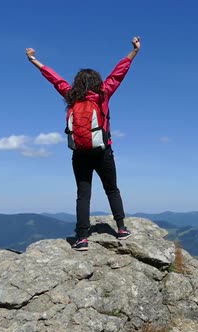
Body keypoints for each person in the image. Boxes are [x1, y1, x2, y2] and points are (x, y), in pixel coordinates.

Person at [25, 36, 141, 251]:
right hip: (103, 151)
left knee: (83, 193)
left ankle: (82, 238)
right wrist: (134, 51)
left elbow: (54, 78)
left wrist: (34, 60)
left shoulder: (70, 96)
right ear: (97, 82)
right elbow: (118, 73)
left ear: (78, 82)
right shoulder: (102, 94)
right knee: (112, 189)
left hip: (79, 153)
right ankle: (122, 228)